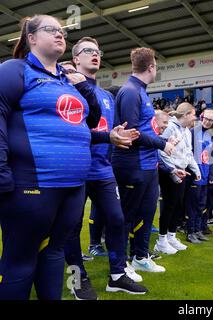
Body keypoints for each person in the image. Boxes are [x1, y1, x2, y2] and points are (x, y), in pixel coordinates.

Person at [0, 15, 103, 300]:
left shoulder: (67, 80)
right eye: (51, 30)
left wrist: (82, 85)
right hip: (30, 186)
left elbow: (91, 120)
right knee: (19, 262)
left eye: (62, 31)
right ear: (31, 38)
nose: (60, 35)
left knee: (54, 253)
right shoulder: (14, 70)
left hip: (73, 188)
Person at [62, 38, 147, 299]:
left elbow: (105, 132)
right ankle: (79, 279)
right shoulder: (66, 88)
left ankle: (117, 276)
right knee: (72, 227)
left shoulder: (108, 96)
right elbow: (75, 130)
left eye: (97, 52)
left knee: (117, 219)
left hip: (102, 169)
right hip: (75, 169)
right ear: (75, 59)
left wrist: (116, 135)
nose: (95, 55)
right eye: (88, 51)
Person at [112, 48, 175, 273]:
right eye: (156, 65)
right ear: (151, 67)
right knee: (126, 217)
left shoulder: (140, 91)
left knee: (147, 213)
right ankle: (120, 266)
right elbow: (132, 133)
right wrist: (162, 143)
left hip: (148, 165)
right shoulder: (130, 91)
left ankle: (140, 256)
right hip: (132, 164)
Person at [156, 103, 200, 253]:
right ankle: (161, 240)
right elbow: (160, 149)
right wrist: (172, 169)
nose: (195, 117)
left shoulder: (187, 131)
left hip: (182, 170)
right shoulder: (170, 127)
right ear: (186, 114)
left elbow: (188, 153)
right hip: (168, 171)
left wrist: (195, 168)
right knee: (169, 205)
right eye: (193, 114)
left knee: (178, 205)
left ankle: (171, 236)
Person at [186, 108, 213, 241]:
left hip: (205, 176)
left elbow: (210, 157)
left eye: (211, 120)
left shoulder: (211, 135)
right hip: (194, 176)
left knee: (201, 206)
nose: (208, 122)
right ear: (202, 117)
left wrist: (211, 176)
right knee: (192, 206)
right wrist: (191, 173)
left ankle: (198, 230)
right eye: (207, 119)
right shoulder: (192, 132)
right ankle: (190, 231)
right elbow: (187, 154)